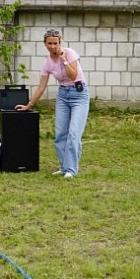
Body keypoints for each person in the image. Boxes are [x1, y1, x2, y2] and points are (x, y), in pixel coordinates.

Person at [14, 27, 89, 178]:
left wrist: (64, 60)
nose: (53, 46)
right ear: (45, 44)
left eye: (56, 43)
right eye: (50, 43)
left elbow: (74, 76)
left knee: (73, 134)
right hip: (63, 96)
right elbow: (41, 87)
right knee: (60, 134)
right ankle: (64, 166)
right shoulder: (47, 63)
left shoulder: (70, 54)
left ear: (60, 43)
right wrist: (29, 105)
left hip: (79, 95)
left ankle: (71, 170)